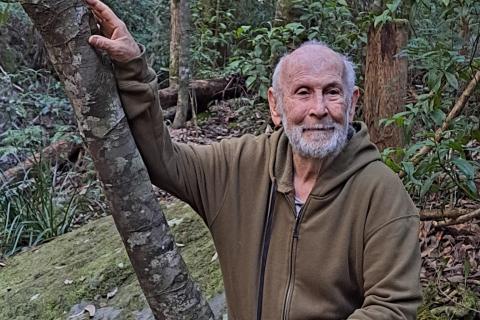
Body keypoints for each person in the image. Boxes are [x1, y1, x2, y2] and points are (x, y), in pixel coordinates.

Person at [86, 0, 422, 318]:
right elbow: (164, 161)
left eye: (332, 92)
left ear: (351, 104)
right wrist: (133, 70)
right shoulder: (240, 166)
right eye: (303, 92)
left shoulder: (381, 192)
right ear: (276, 106)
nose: (319, 109)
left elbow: (392, 306)